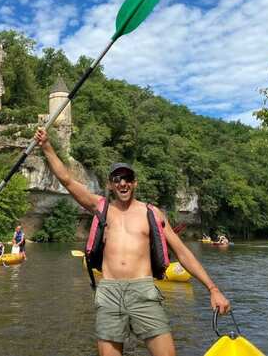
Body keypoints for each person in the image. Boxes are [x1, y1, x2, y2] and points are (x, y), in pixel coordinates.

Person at [34, 128, 230, 356]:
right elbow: (67, 180)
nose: (123, 183)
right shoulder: (101, 208)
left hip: (143, 291)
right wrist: (47, 146)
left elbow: (183, 253)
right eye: (117, 179)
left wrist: (213, 289)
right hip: (109, 292)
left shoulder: (153, 214)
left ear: (135, 183)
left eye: (127, 178)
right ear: (110, 185)